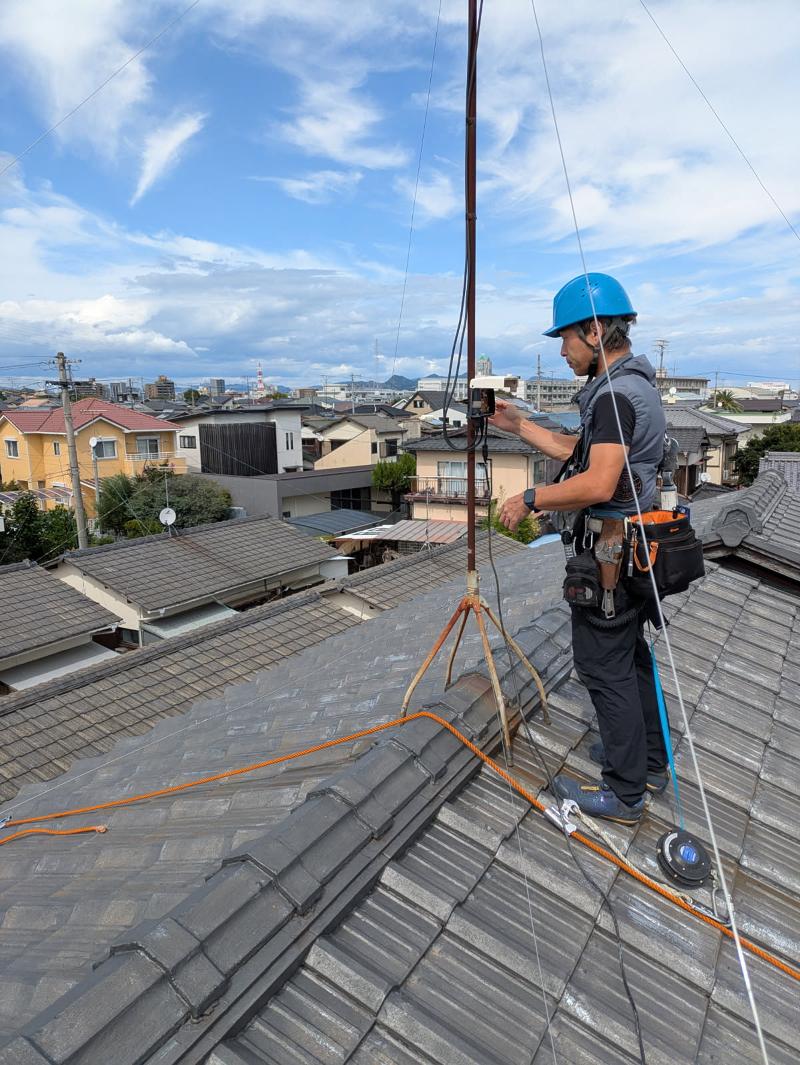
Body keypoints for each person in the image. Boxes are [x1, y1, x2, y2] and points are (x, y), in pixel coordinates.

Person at [489, 272, 668, 825]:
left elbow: (596, 483)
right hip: (639, 548)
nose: (563, 352)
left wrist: (530, 496)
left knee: (602, 666)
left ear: (594, 331)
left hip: (612, 554)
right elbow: (584, 452)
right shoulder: (633, 386)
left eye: (564, 339)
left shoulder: (613, 395)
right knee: (632, 659)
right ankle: (649, 763)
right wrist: (520, 426)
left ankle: (624, 792)